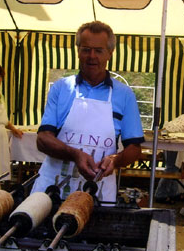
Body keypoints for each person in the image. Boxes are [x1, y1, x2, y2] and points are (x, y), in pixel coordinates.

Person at [31, 21, 144, 204]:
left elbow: (134, 148)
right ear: (77, 51)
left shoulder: (124, 94)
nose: (91, 56)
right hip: (52, 189)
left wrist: (115, 160)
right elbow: (43, 139)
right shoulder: (61, 88)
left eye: (98, 50)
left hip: (97, 192)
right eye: (86, 49)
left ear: (110, 53)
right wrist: (75, 154)